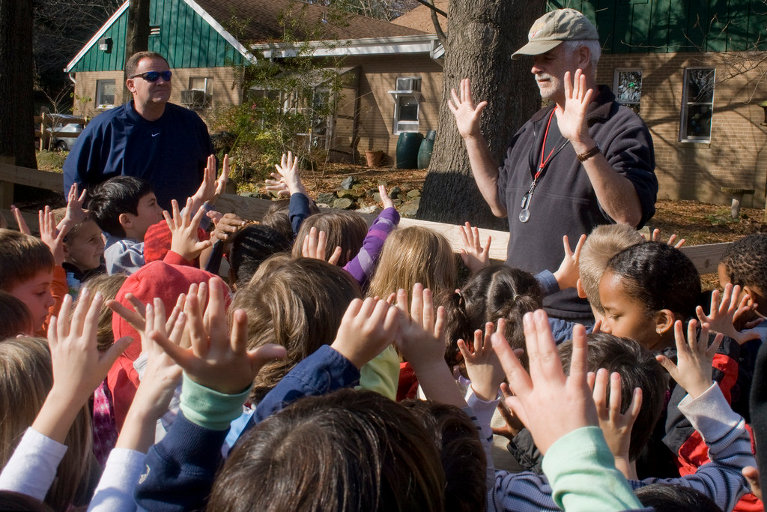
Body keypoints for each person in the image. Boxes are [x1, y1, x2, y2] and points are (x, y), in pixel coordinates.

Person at [448, 8, 658, 336]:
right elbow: (498, 204)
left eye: (546, 57)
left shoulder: (622, 127)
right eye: (533, 59)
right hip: (520, 309)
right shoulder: (533, 126)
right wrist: (471, 138)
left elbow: (628, 215)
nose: (535, 68)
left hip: (580, 322)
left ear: (583, 56)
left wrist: (583, 142)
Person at [63, 51, 213, 209]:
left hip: (180, 227)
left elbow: (208, 176)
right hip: (123, 230)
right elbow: (75, 180)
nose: (162, 82)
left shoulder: (191, 124)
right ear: (131, 85)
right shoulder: (105, 127)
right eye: (152, 76)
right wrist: (93, 223)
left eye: (166, 75)